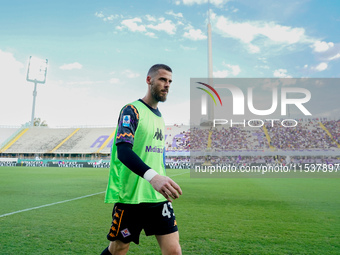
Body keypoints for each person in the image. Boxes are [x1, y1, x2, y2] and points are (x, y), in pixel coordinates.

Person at [101, 64, 183, 255]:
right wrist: (153, 177)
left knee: (174, 251)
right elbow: (123, 151)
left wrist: (160, 178)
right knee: (119, 249)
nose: (167, 85)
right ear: (149, 80)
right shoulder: (132, 110)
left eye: (170, 81)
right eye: (163, 79)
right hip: (132, 197)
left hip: (158, 196)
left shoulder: (160, 117)